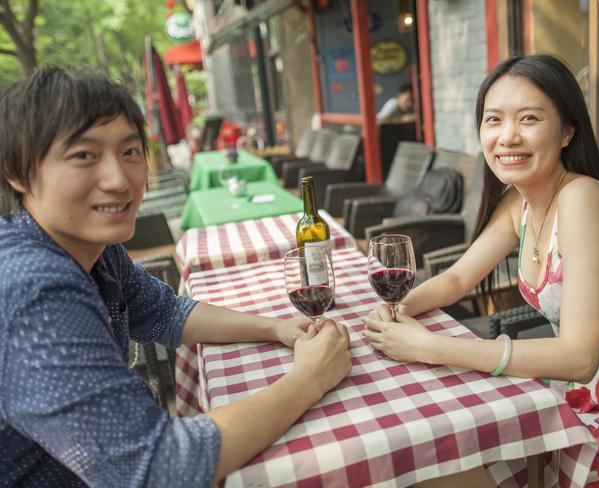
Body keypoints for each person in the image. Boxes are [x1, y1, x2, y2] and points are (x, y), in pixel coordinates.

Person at [0, 67, 351, 487]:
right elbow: (161, 467)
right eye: (84, 156)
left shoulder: (89, 245)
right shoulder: (30, 287)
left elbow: (164, 311)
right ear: (17, 172)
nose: (118, 180)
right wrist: (310, 378)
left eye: (130, 152)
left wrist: (274, 327)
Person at [363, 54, 599, 487]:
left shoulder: (583, 199)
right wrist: (399, 307)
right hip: (564, 388)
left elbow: (579, 356)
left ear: (568, 130)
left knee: (440, 464)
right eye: (493, 120)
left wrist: (432, 347)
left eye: (529, 118)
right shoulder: (520, 201)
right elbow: (458, 279)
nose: (507, 137)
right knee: (424, 461)